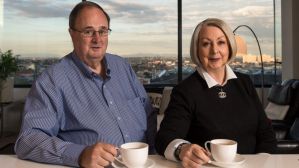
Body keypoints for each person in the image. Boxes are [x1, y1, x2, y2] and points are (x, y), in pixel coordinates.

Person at [14, 1, 156, 167]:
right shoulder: (52, 81)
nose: (97, 39)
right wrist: (80, 155)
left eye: (103, 31)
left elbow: (148, 115)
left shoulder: (123, 67)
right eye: (88, 31)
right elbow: (28, 141)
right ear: (72, 34)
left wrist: (154, 153)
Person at [155, 18, 277, 168]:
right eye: (206, 44)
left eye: (221, 42)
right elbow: (164, 138)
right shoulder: (185, 91)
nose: (214, 51)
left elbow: (266, 133)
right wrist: (182, 149)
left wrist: (261, 161)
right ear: (197, 49)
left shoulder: (245, 82)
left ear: (229, 46)